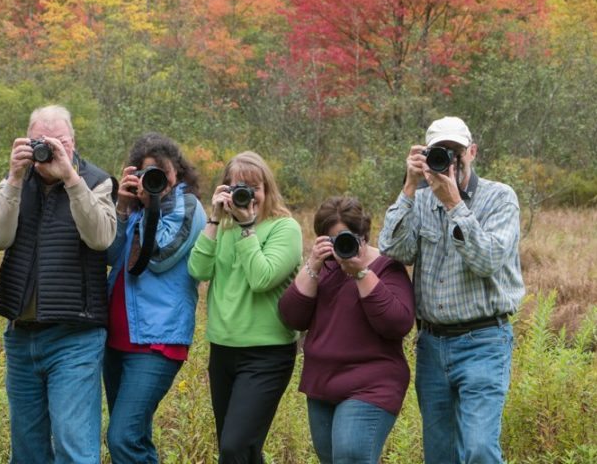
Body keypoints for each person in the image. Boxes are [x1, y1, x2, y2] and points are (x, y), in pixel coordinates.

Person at [379, 116, 525, 464]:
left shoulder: (499, 198)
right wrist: (409, 187)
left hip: (484, 341)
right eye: (440, 152)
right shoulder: (422, 200)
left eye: (456, 151)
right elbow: (393, 251)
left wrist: (454, 205)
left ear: (472, 152)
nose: (449, 159)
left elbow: (487, 259)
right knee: (440, 454)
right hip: (432, 344)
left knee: (478, 449)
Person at [0, 104, 118, 464]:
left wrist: (71, 179)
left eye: (59, 141)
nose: (51, 149)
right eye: (42, 141)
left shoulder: (96, 181)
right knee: (27, 451)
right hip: (22, 334)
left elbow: (101, 238)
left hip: (75, 336)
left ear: (72, 141)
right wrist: (13, 178)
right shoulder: (17, 181)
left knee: (74, 448)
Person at [278, 196, 415, 464]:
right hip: (322, 384)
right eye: (333, 239)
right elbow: (292, 316)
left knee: (351, 455)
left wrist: (362, 274)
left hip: (372, 384)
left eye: (349, 238)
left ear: (363, 236)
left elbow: (397, 324)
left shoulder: (387, 267)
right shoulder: (324, 269)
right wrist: (314, 264)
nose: (343, 246)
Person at [187, 151, 302, 464]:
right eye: (237, 187)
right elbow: (198, 270)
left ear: (267, 190)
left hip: (267, 353)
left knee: (235, 448)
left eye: (254, 188)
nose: (246, 195)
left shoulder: (285, 228)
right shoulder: (223, 228)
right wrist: (213, 219)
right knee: (238, 448)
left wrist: (248, 227)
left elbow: (262, 278)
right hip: (223, 349)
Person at [104, 133, 206, 464]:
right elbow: (110, 252)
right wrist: (121, 207)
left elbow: (159, 256)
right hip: (118, 339)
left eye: (160, 172)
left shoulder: (186, 205)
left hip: (156, 342)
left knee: (123, 437)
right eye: (146, 173)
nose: (154, 181)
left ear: (177, 171)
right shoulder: (134, 208)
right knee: (135, 438)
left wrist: (151, 207)